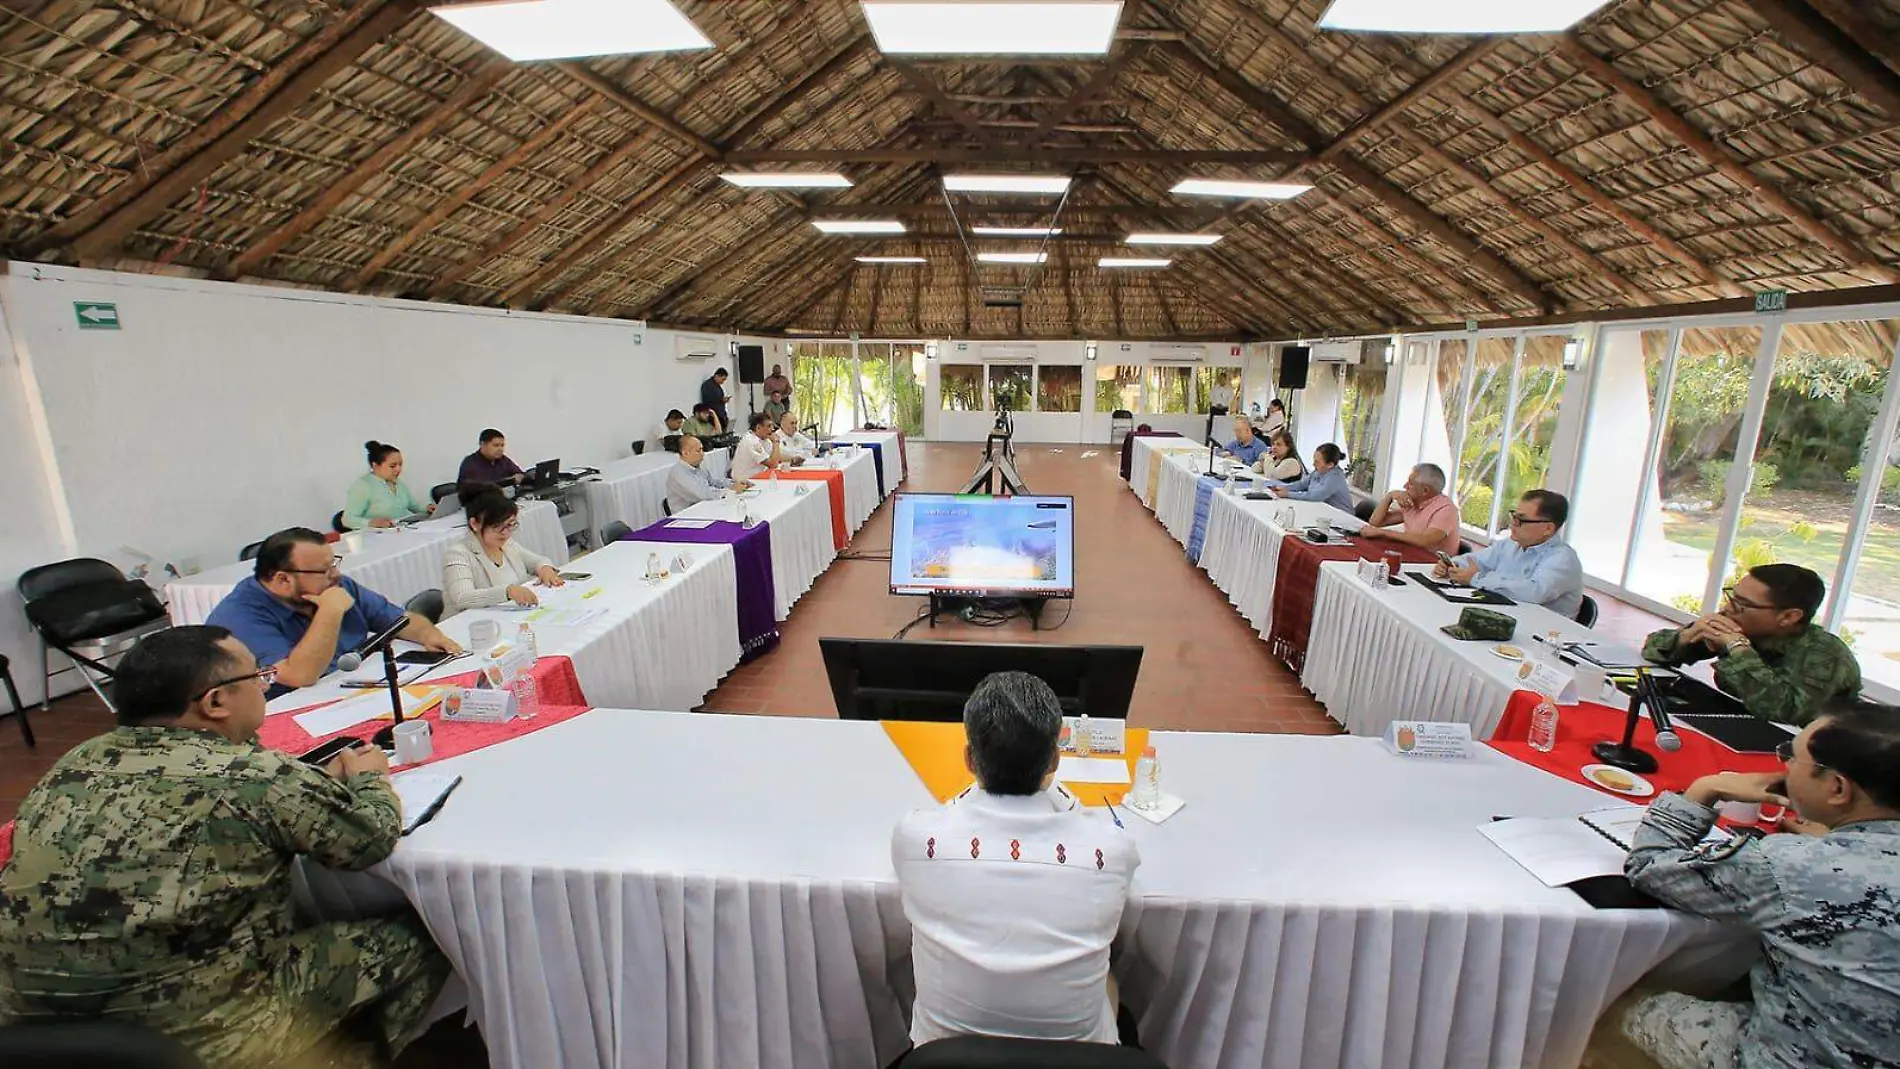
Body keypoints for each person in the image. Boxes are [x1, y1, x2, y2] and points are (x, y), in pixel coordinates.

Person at [0, 626, 451, 1067]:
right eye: (257, 677)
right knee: (434, 933)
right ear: (215, 702)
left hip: (32, 1025)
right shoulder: (251, 776)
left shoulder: (78, 760)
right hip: (190, 1030)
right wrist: (371, 778)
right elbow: (367, 840)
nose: (263, 684)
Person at [1602, 705, 1900, 1069]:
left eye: (1793, 757)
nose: (1785, 765)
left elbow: (1648, 866)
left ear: (1837, 788)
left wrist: (1705, 789)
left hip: (1793, 1059)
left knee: (1608, 997)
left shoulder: (1792, 867)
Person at [892, 672, 1139, 1047]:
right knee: (1111, 978)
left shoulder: (915, 838)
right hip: (1076, 1059)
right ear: (1055, 760)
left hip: (945, 1055)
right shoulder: (1112, 847)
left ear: (969, 760)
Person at [205, 528, 460, 696]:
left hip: (358, 689)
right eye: (324, 570)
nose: (336, 574)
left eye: (334, 563)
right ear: (283, 580)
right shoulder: (239, 617)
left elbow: (398, 619)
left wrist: (427, 633)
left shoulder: (336, 584)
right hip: (298, 711)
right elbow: (300, 675)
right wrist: (330, 611)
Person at [1641, 564, 1860, 726]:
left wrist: (1738, 648)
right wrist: (1687, 637)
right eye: (1732, 596)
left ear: (1789, 616)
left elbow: (1784, 712)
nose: (1728, 608)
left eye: (1742, 604)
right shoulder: (1745, 623)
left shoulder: (1825, 655)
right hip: (1737, 723)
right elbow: (1652, 649)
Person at [1434, 489, 1583, 618]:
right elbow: (1477, 561)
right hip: (1503, 615)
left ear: (1548, 529)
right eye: (1514, 516)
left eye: (1521, 520)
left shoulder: (1563, 559)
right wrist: (1453, 566)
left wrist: (1477, 579)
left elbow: (1533, 592)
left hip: (1544, 636)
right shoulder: (1510, 544)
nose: (1513, 524)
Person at [440, 488, 564, 617]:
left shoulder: (507, 544)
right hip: (466, 624)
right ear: (474, 524)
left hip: (509, 617)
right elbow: (462, 597)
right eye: (497, 526)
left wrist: (545, 569)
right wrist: (508, 592)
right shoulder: (458, 554)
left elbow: (538, 561)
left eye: (511, 525)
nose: (506, 533)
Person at [1360, 463, 1459, 555]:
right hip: (1410, 555)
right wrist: (1389, 497)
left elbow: (1424, 541)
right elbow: (1375, 523)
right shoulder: (1414, 502)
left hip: (1434, 566)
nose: (1405, 486)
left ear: (1425, 490)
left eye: (1410, 484)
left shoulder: (1446, 510)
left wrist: (1382, 532)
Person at [342, 440, 435, 530]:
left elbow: (413, 504)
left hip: (400, 531)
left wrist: (427, 507)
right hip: (374, 538)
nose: (398, 469)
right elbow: (348, 519)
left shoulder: (398, 483)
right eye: (393, 466)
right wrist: (370, 523)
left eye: (400, 465)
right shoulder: (363, 485)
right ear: (375, 466)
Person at [666, 434, 746, 515]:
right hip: (687, 517)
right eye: (699, 450)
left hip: (704, 510)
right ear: (685, 453)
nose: (703, 454)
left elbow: (715, 482)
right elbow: (703, 494)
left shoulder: (697, 466)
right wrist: (730, 490)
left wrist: (735, 483)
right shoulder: (679, 473)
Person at [1267, 442, 1354, 512]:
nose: (1313, 464)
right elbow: (1301, 485)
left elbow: (1314, 496)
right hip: (1322, 511)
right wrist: (1282, 487)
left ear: (1330, 465)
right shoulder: (1318, 471)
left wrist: (1287, 494)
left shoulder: (1335, 478)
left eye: (1317, 462)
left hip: (1341, 516)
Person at [733, 411, 798, 482]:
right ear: (758, 428)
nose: (772, 429)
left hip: (757, 478)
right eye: (769, 426)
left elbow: (777, 457)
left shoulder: (764, 438)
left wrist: (793, 459)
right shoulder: (751, 441)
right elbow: (773, 464)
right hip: (745, 482)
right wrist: (776, 442)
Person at [457, 427, 525, 488]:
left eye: (502, 445)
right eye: (496, 445)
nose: (500, 449)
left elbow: (519, 474)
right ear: (482, 444)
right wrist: (509, 481)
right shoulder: (470, 463)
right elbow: (482, 487)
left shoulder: (503, 460)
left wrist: (520, 477)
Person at [700, 367, 731, 431]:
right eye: (722, 379)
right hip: (713, 416)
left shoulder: (718, 386)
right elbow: (708, 400)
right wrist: (721, 400)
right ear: (717, 376)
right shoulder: (707, 385)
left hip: (721, 415)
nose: (723, 382)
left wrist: (723, 400)